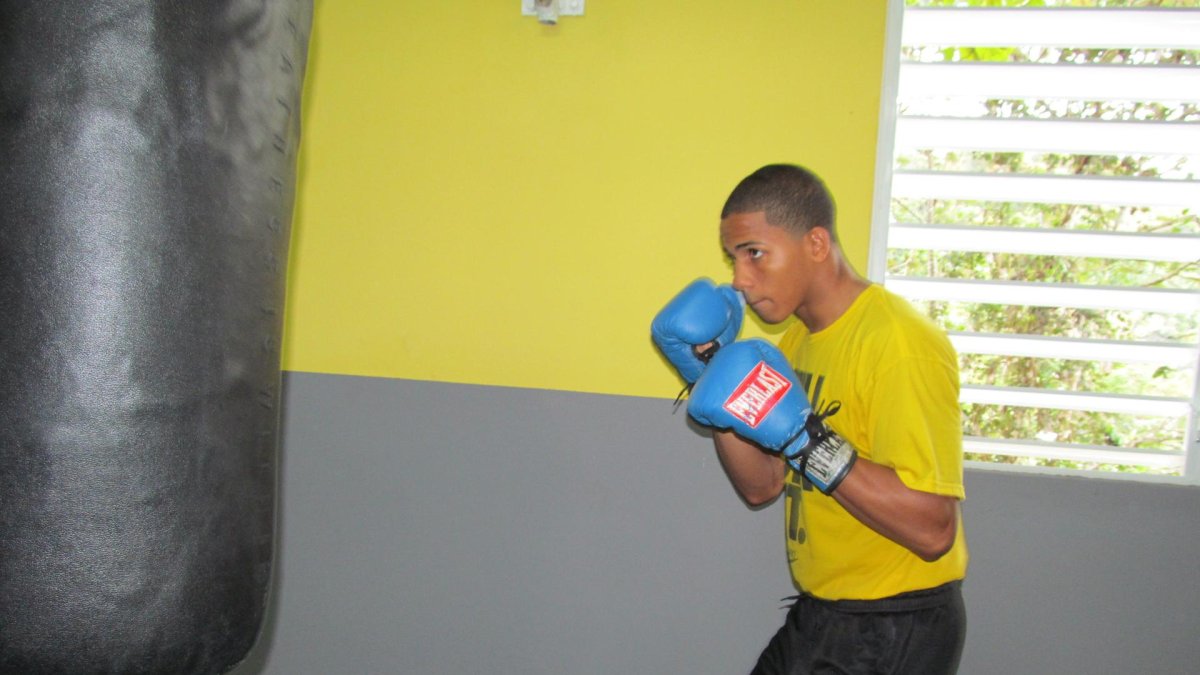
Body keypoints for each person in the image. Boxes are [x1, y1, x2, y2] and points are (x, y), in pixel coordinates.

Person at [652, 164, 968, 674]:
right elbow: (762, 486)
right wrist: (713, 373)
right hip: (824, 612)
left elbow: (934, 531)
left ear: (816, 243)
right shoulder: (798, 341)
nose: (739, 280)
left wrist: (807, 441)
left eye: (754, 253)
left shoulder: (899, 343)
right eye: (734, 259)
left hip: (893, 621)